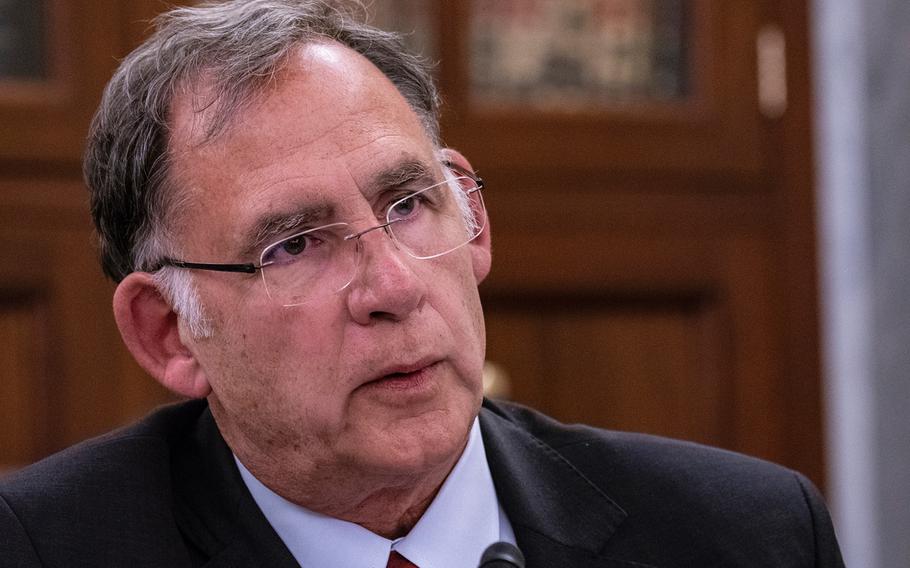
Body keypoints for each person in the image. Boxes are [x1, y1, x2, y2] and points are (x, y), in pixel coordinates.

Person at [0, 1, 844, 567]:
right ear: (168, 334)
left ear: (472, 220)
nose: (392, 286)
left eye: (407, 204)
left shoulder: (746, 534)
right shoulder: (45, 546)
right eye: (294, 246)